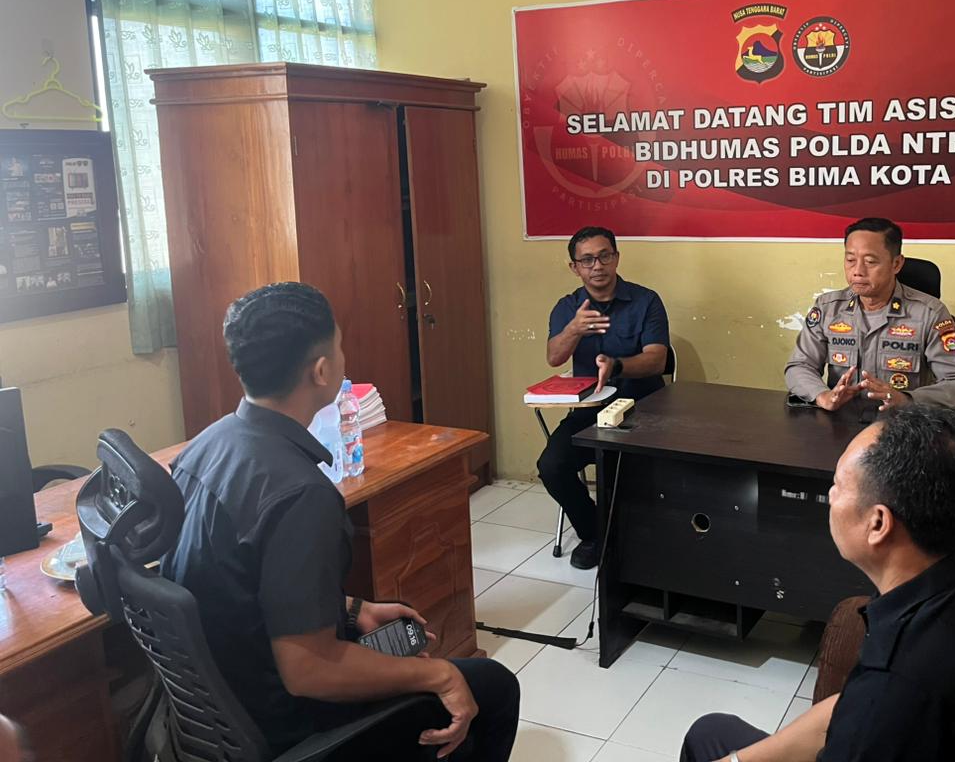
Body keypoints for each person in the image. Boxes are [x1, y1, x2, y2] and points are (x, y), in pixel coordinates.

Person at [162, 282, 518, 760]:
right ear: (321, 370)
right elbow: (309, 669)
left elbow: (241, 580)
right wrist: (439, 675)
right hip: (286, 727)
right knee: (491, 686)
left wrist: (351, 610)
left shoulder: (206, 445)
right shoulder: (302, 495)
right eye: (340, 346)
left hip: (220, 712)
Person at [681, 405, 955, 761]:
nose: (830, 495)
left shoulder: (894, 687)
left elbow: (869, 715)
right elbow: (842, 712)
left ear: (878, 524)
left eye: (838, 485)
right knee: (711, 733)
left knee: (705, 740)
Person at [541, 226, 670, 569]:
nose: (597, 266)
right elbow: (554, 357)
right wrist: (573, 329)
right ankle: (597, 533)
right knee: (551, 466)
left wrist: (616, 365)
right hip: (592, 408)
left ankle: (639, 534)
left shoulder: (646, 301)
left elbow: (657, 359)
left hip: (645, 406)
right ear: (575, 267)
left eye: (604, 256)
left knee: (634, 467)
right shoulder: (568, 307)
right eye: (587, 260)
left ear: (616, 258)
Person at [785, 217, 955, 419]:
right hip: (841, 424)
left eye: (870, 262)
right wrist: (822, 396)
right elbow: (800, 366)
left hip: (903, 425)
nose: (857, 271)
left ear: (896, 264)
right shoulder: (828, 308)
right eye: (850, 260)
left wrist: (907, 399)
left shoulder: (930, 313)